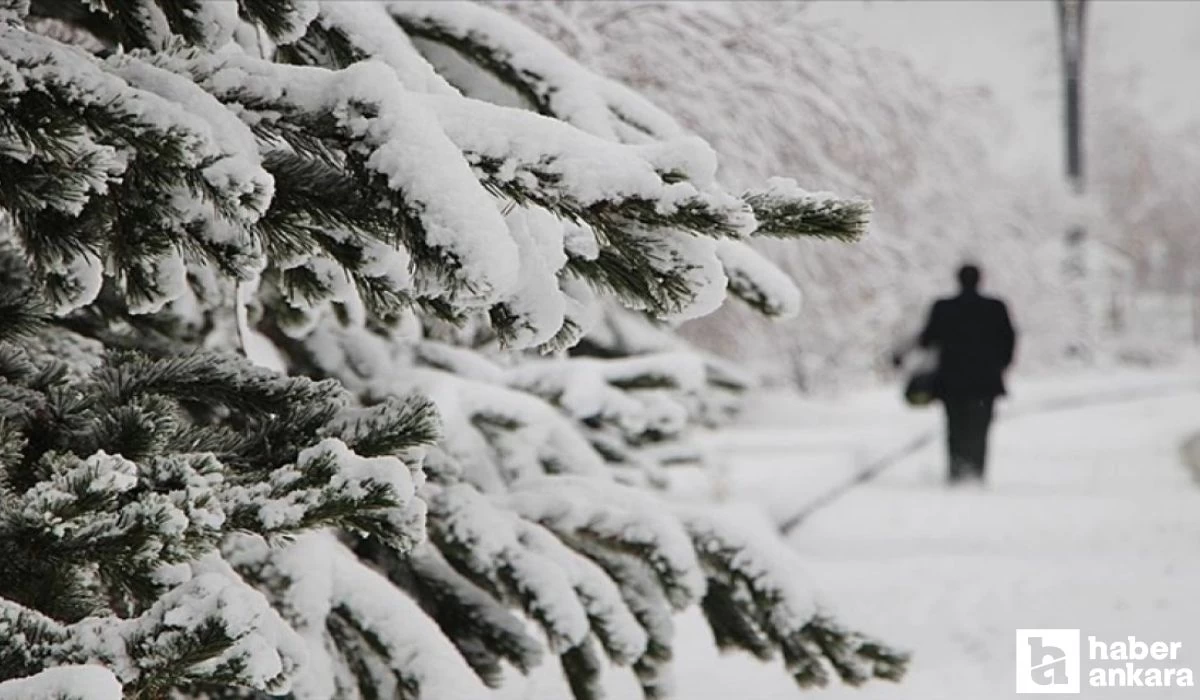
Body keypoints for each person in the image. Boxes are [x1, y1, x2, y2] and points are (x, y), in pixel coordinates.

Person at [898, 264, 1016, 483]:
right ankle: (976, 471)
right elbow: (1008, 340)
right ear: (980, 279)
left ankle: (956, 469)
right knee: (980, 427)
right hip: (985, 381)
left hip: (952, 381)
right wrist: (1001, 365)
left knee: (955, 425)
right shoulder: (995, 308)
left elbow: (927, 338)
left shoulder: (943, 307)